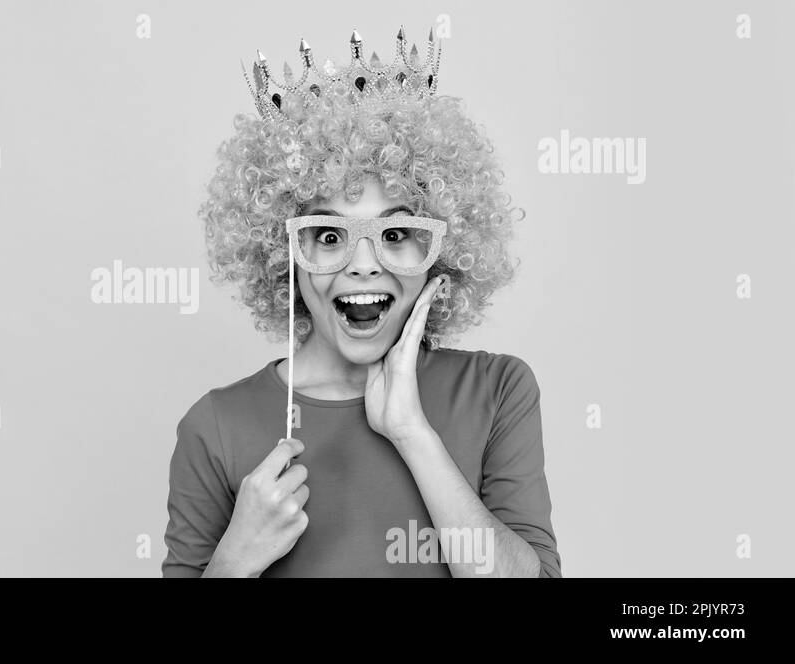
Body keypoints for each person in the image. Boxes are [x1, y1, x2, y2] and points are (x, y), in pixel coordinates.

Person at [163, 28, 560, 577]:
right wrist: (233, 562)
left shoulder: (497, 392)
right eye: (329, 235)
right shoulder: (216, 426)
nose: (364, 263)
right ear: (285, 254)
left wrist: (412, 433)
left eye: (395, 234)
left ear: (438, 250)